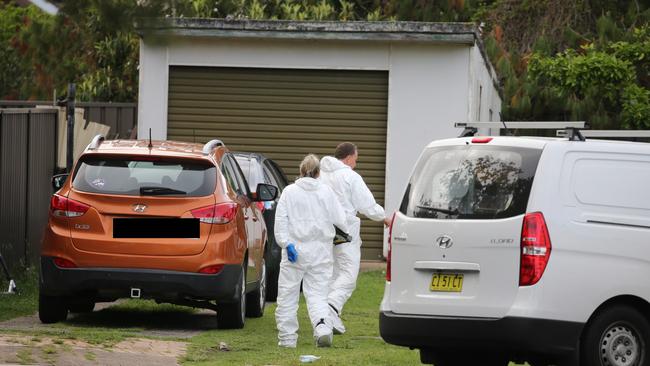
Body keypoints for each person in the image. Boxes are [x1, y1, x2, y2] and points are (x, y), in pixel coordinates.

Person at [274, 154, 349, 348]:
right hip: (321, 251)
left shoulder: (289, 192)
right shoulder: (326, 192)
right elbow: (341, 219)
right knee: (317, 294)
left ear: (301, 171)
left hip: (294, 250)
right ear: (318, 173)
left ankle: (287, 339)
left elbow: (281, 221)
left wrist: (285, 243)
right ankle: (322, 327)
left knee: (288, 295)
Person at [320, 142, 391, 335]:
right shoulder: (350, 176)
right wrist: (384, 217)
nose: (355, 164)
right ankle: (331, 307)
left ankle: (328, 319)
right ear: (349, 157)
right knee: (349, 275)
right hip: (345, 231)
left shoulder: (321, 175)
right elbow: (366, 204)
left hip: (323, 232)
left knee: (333, 273)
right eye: (356, 160)